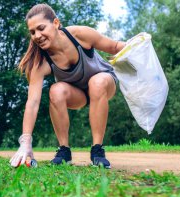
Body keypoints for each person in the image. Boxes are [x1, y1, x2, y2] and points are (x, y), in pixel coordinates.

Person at [9, 3, 125, 168]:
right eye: (32, 32)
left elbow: (114, 47)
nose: (37, 35)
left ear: (56, 23)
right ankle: (64, 150)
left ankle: (97, 150)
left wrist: (137, 47)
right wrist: (25, 141)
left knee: (96, 82)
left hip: (105, 83)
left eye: (41, 28)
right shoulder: (40, 63)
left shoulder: (79, 34)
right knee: (56, 90)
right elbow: (33, 103)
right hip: (78, 94)